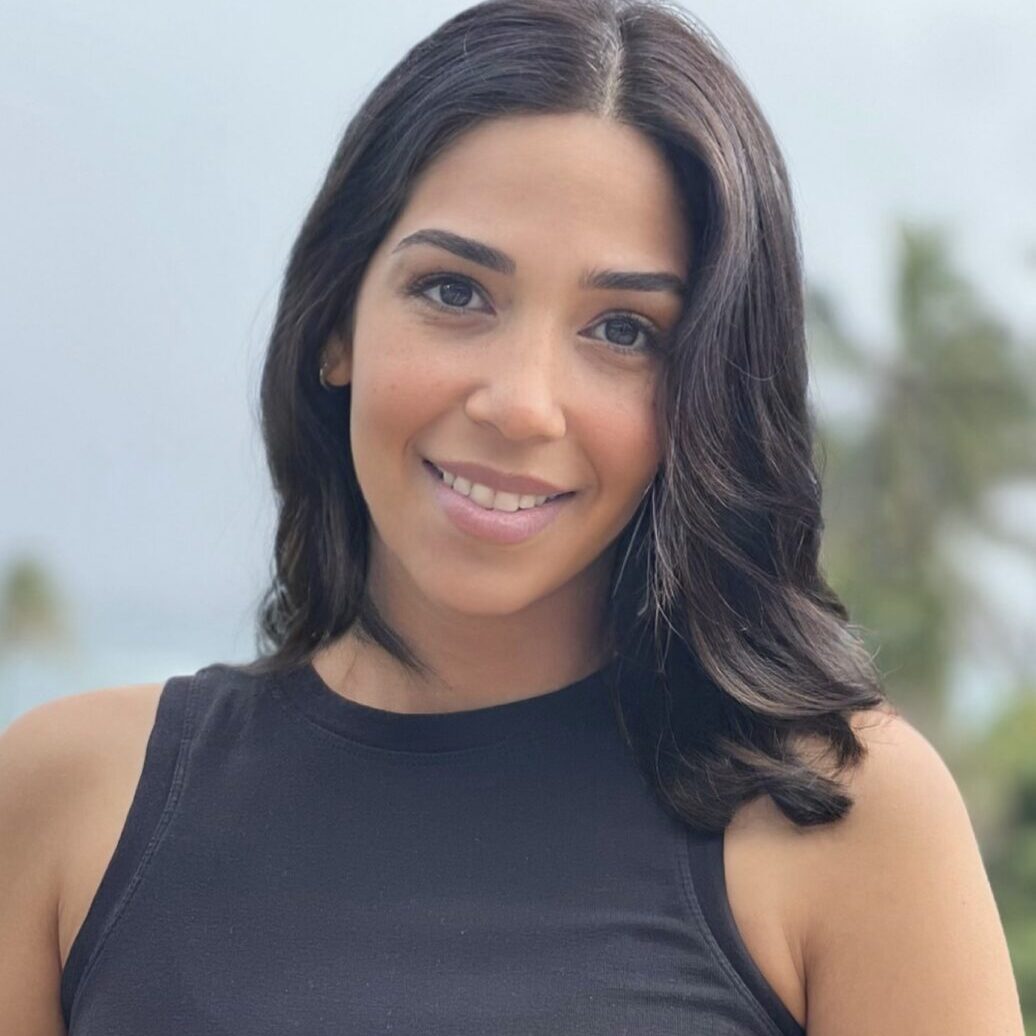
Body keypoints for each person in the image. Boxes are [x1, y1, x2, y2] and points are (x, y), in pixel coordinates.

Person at [0, 0, 1024, 1032]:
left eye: (623, 329)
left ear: (703, 390)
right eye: (454, 292)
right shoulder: (67, 801)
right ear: (336, 324)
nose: (522, 402)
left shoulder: (844, 820)